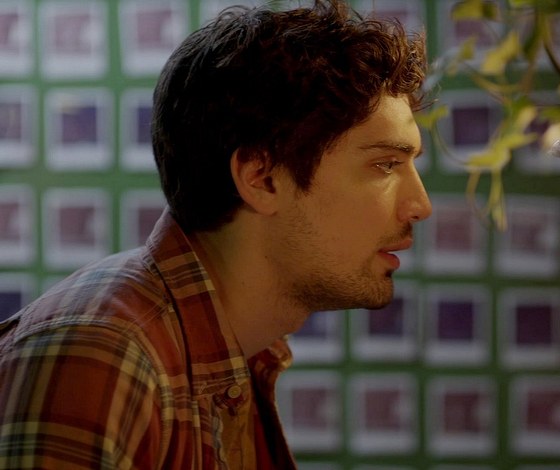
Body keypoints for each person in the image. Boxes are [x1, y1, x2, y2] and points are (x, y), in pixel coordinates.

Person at [0, 0, 431, 468]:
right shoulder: (103, 354)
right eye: (385, 165)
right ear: (262, 179)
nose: (420, 205)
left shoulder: (236, 353)